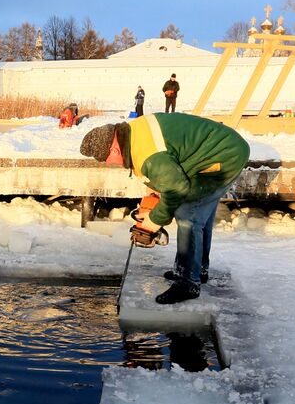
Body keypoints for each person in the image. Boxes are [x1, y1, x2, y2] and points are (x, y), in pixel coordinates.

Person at [79, 113, 249, 305]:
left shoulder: (149, 156)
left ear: (114, 149)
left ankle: (189, 283)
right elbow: (169, 169)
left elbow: (176, 188)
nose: (109, 164)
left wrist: (153, 222)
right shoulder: (134, 134)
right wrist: (154, 199)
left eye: (106, 159)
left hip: (224, 157)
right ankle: (196, 270)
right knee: (201, 214)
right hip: (222, 148)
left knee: (188, 214)